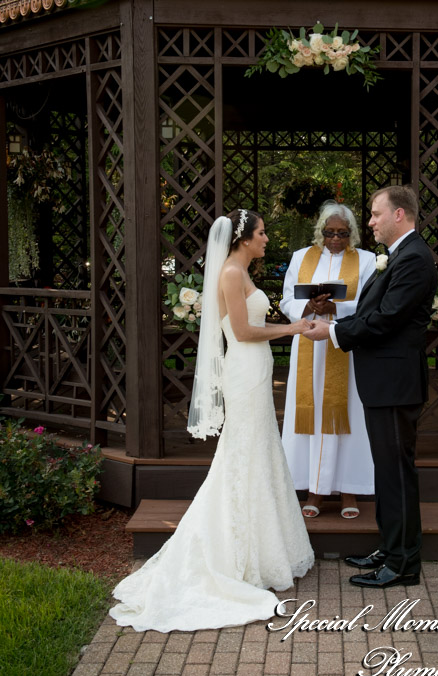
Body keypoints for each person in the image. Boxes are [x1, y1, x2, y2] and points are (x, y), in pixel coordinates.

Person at [110, 210, 315, 632]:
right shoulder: (230, 274)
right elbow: (241, 332)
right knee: (242, 454)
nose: (265, 239)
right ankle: (233, 550)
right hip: (244, 369)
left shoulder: (241, 269)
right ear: (243, 238)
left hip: (255, 370)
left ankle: (262, 547)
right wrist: (293, 328)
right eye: (261, 233)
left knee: (259, 452)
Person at [304, 186, 438, 589]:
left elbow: (386, 319)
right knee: (387, 470)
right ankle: (391, 547)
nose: (372, 221)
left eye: (377, 214)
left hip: (396, 384)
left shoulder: (414, 259)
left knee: (397, 473)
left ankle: (403, 565)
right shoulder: (398, 257)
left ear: (400, 215)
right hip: (384, 383)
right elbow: (373, 311)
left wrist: (332, 331)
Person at [280, 201, 376, 519]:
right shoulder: (301, 257)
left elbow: (369, 303)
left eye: (342, 233)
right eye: (329, 232)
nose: (335, 239)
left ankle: (348, 489)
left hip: (344, 345)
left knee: (346, 415)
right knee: (312, 415)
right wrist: (310, 306)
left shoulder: (366, 260)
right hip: (309, 345)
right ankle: (313, 491)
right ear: (320, 231)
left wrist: (336, 308)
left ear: (353, 234)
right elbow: (286, 299)